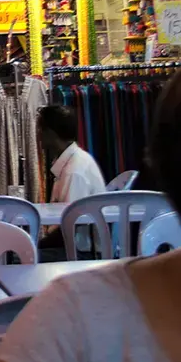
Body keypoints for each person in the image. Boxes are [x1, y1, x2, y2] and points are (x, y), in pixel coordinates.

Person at [0, 55, 181, 362]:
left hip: (81, 251)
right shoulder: (70, 322)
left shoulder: (67, 320)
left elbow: (73, 226)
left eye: (41, 133)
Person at [35, 104, 106, 261]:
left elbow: (70, 226)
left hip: (81, 253)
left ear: (50, 134)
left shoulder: (74, 171)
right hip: (75, 248)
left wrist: (34, 245)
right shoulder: (74, 161)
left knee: (18, 259)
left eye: (40, 130)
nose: (38, 135)